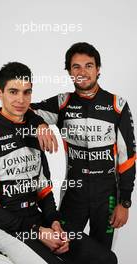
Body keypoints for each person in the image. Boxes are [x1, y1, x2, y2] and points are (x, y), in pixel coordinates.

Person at [0, 62, 118, 264]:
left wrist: (54, 222)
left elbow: (44, 189)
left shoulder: (34, 132)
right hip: (2, 227)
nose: (21, 100)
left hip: (37, 220)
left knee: (105, 258)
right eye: (13, 92)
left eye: (27, 93)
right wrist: (37, 232)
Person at [31, 42, 136, 249]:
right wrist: (41, 124)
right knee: (63, 249)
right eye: (76, 67)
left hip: (107, 197)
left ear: (98, 69)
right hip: (73, 193)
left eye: (88, 65)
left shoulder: (117, 105)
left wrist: (125, 202)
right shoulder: (62, 103)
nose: (83, 72)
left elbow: (128, 158)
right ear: (69, 72)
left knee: (102, 255)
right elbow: (24, 111)